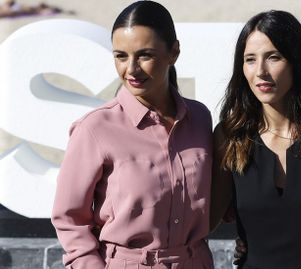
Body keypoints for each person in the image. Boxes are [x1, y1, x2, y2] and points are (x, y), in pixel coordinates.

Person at [51, 1, 213, 268]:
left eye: (145, 55)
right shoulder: (95, 128)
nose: (131, 69)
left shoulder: (200, 118)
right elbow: (69, 220)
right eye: (121, 56)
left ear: (174, 52)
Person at [210, 10, 301, 269]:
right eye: (250, 60)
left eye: (273, 57)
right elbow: (204, 221)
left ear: (296, 61)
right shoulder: (229, 137)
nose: (261, 72)